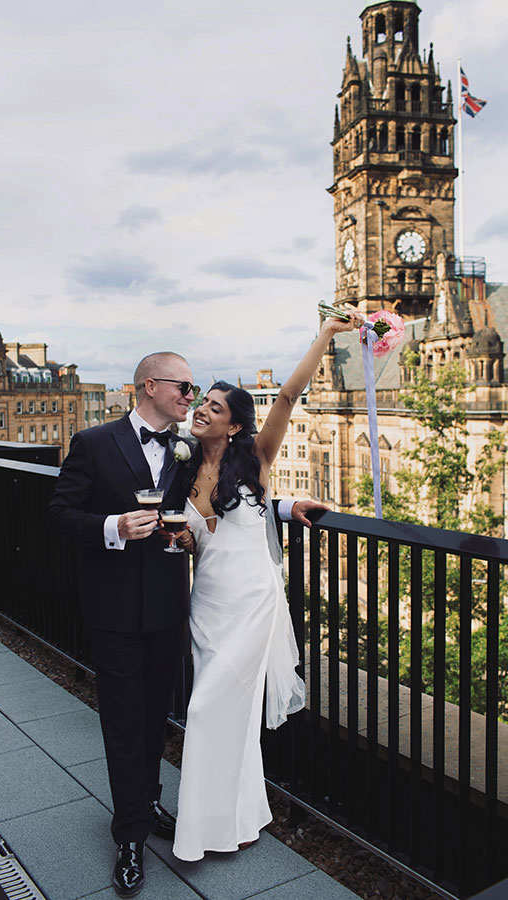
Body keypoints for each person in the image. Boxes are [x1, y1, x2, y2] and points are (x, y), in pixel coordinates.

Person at [46, 350, 327, 898]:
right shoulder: (98, 443)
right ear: (150, 386)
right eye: (188, 389)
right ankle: (129, 836)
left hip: (183, 610)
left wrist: (286, 504)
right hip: (132, 611)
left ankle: (163, 805)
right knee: (136, 721)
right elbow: (59, 513)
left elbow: (240, 497)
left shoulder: (185, 455)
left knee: (161, 716)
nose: (193, 400)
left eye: (206, 398)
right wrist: (113, 525)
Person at [171, 312, 362, 862]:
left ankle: (197, 834)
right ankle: (243, 818)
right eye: (201, 402)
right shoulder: (180, 470)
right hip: (206, 605)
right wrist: (181, 540)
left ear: (233, 425)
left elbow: (287, 395)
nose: (202, 409)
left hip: (253, 605)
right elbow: (194, 539)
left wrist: (325, 337)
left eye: (214, 406)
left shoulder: (253, 460)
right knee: (229, 714)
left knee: (206, 710)